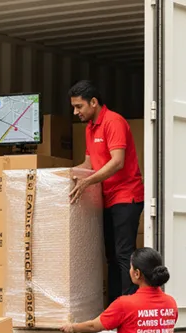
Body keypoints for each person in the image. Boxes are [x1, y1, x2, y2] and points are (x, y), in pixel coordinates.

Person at [68, 79, 145, 306]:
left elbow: (117, 162)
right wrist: (62, 176)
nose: (75, 112)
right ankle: (115, 307)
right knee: (111, 257)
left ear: (93, 102)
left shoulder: (114, 122)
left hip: (126, 196)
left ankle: (130, 306)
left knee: (124, 255)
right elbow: (88, 163)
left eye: (79, 107)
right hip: (107, 198)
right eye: (73, 107)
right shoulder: (90, 129)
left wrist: (87, 182)